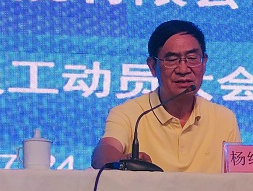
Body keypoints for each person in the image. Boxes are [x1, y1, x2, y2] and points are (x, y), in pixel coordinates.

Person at [91, 20, 240, 172]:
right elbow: (103, 152)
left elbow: (239, 179)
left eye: (192, 58)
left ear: (204, 63)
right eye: (172, 59)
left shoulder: (224, 119)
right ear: (152, 66)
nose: (183, 69)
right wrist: (123, 163)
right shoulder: (129, 114)